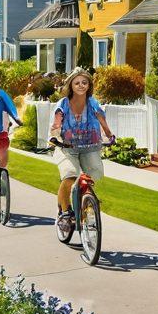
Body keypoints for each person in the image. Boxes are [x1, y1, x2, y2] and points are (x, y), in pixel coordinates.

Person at [49, 68, 115, 233]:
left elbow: (101, 118)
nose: (81, 85)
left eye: (84, 82)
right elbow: (57, 121)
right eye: (77, 82)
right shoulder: (63, 103)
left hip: (89, 146)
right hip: (67, 147)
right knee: (70, 173)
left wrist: (109, 134)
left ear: (89, 85)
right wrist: (55, 135)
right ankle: (65, 212)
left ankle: (85, 202)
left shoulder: (92, 102)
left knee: (94, 172)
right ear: (71, 85)